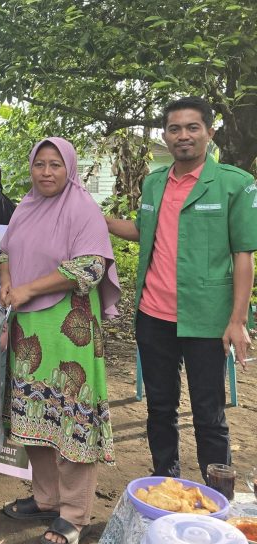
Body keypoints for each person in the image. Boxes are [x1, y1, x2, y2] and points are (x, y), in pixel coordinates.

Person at [106, 97, 257, 485]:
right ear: (165, 135)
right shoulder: (155, 182)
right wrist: (97, 217)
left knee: (209, 413)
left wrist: (237, 320)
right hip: (153, 315)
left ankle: (216, 497)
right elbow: (144, 232)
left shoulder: (234, 184)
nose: (183, 135)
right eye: (175, 128)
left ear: (209, 132)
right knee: (160, 408)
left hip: (207, 318)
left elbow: (243, 256)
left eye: (193, 127)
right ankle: (165, 484)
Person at [0, 137, 119, 544]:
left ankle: (73, 515)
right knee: (34, 417)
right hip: (28, 329)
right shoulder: (25, 207)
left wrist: (29, 288)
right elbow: (4, 253)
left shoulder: (82, 207)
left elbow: (90, 265)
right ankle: (46, 498)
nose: (46, 173)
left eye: (55, 165)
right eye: (40, 164)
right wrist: (7, 283)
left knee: (70, 418)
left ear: (69, 168)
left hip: (70, 330)